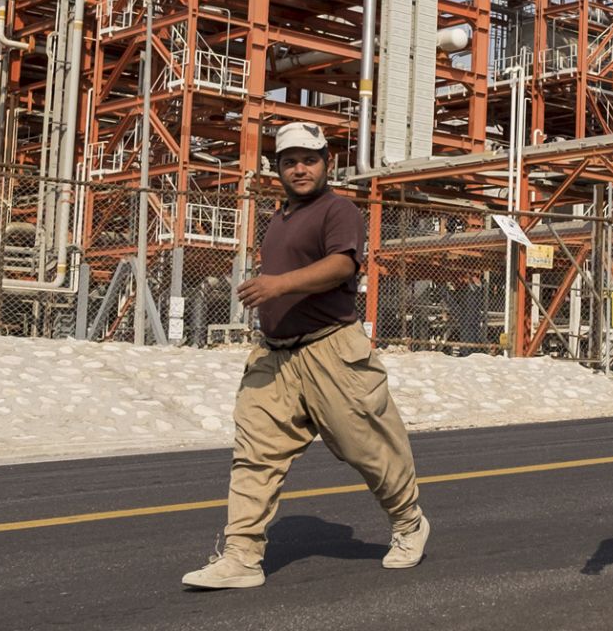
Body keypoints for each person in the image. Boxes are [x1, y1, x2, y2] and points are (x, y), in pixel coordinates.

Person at [181, 120, 429, 589]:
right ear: (277, 168)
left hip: (331, 352)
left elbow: (340, 265)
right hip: (275, 357)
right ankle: (241, 557)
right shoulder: (279, 218)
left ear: (326, 163)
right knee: (254, 455)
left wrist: (277, 284)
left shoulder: (339, 211)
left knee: (369, 450)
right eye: (290, 161)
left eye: (309, 160)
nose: (300, 169)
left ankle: (409, 522)